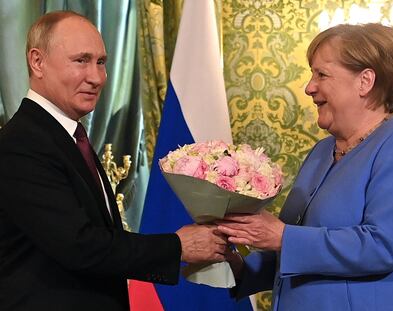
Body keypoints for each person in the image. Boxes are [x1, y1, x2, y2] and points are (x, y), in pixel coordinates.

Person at [0, 11, 227, 311]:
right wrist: (178, 246)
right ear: (37, 62)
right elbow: (78, 245)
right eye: (81, 60)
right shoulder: (22, 143)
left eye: (101, 62)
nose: (96, 78)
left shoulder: (65, 135)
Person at [218, 23, 393, 311]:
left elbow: (382, 245)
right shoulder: (323, 150)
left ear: (365, 81)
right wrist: (240, 267)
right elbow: (299, 245)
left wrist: (281, 236)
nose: (309, 87)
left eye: (321, 74)